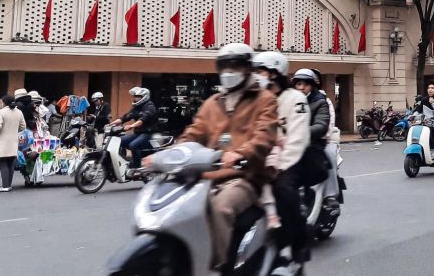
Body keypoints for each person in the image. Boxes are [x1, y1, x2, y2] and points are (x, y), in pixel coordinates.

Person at [175, 44, 278, 272]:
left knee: (221, 207)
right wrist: (174, 152)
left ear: (248, 68)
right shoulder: (213, 102)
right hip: (208, 174)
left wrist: (241, 153)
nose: (229, 72)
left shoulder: (265, 99)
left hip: (246, 176)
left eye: (236, 66)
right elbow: (195, 132)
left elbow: (265, 136)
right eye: (225, 67)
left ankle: (219, 266)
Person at [253, 51, 310, 274]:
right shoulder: (255, 99)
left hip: (287, 161)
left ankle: (297, 246)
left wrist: (280, 167)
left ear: (276, 73)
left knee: (284, 191)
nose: (257, 76)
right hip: (257, 158)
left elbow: (298, 138)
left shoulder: (295, 99)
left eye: (262, 71)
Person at [308, 68, 341, 215]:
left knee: (328, 156)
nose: (303, 86)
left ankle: (331, 196)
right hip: (299, 140)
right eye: (299, 83)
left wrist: (314, 136)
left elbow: (327, 126)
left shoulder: (324, 101)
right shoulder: (294, 100)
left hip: (324, 140)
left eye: (308, 82)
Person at [112, 86, 158, 170]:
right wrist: (111, 123)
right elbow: (126, 117)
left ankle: (136, 166)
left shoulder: (150, 106)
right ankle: (123, 161)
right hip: (138, 133)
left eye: (138, 97)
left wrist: (131, 126)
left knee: (133, 145)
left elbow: (142, 120)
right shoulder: (137, 107)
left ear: (144, 97)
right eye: (135, 96)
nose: (136, 98)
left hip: (148, 134)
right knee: (117, 141)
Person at [0, 94, 26, 193]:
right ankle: (8, 185)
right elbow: (23, 126)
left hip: (2, 140)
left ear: (4, 102)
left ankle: (5, 186)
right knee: (10, 163)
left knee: (3, 162)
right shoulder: (18, 112)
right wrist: (14, 130)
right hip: (14, 140)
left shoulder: (2, 112)